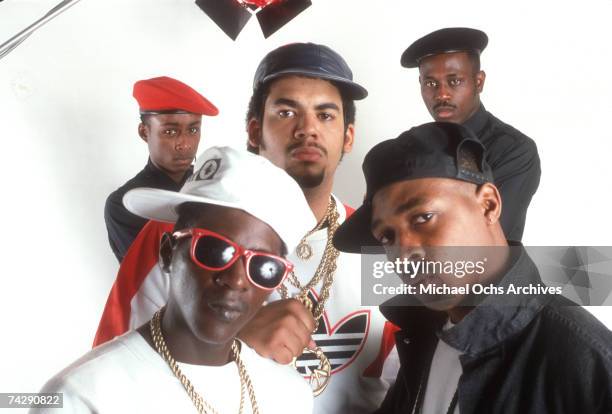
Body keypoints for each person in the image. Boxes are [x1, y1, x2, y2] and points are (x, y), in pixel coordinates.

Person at [94, 43, 398, 413]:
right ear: (254, 130)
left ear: (348, 137)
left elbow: (422, 369)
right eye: (286, 112)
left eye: (326, 115)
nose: (307, 129)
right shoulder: (175, 233)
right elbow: (112, 374)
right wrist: (227, 339)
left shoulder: (381, 242)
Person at [333, 122, 612, 414]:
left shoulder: (586, 361)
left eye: (423, 217)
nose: (403, 254)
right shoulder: (424, 335)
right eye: (387, 237)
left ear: (489, 205)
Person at [36, 146, 315, 413]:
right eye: (214, 250)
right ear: (168, 252)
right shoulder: (80, 397)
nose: (236, 280)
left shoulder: (290, 396)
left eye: (264, 267)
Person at [401, 28, 541, 241]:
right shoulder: (411, 148)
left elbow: (483, 236)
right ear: (420, 85)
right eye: (431, 83)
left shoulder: (515, 151)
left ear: (479, 82)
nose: (442, 94)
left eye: (454, 81)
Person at [104, 76, 218, 262]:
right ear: (144, 132)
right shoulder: (125, 203)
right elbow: (158, 275)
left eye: (193, 130)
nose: (184, 145)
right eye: (170, 131)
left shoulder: (215, 186)